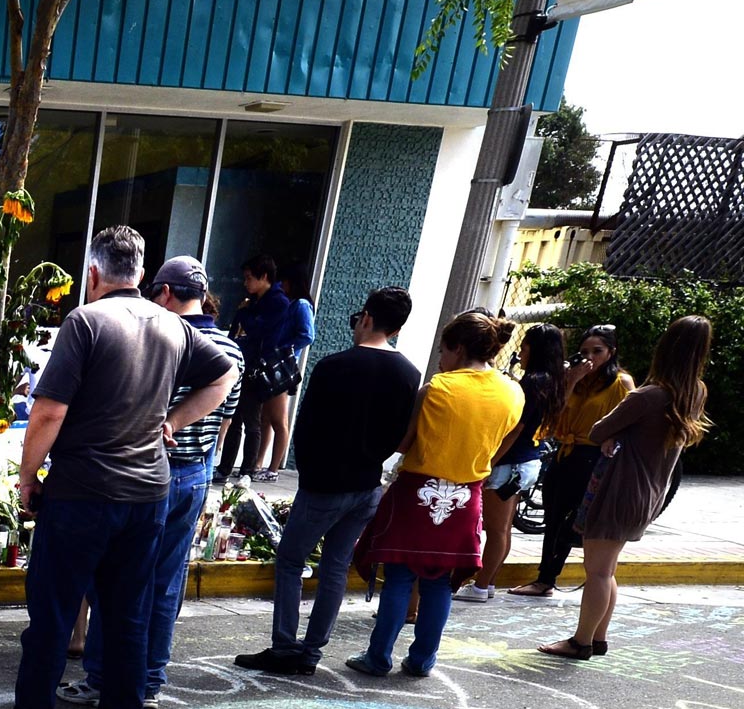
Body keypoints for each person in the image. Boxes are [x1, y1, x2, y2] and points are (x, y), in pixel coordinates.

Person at [0, 226, 235, 709]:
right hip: (147, 491)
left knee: (55, 609)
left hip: (83, 490)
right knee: (128, 609)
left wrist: (27, 477)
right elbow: (225, 375)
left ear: (94, 273)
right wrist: (174, 420)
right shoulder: (174, 327)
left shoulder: (85, 322)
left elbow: (49, 412)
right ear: (143, 275)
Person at [64, 256, 243, 703]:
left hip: (149, 470)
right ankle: (149, 682)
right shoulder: (232, 346)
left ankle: (103, 677)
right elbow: (226, 414)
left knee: (118, 578)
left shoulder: (164, 335)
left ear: (163, 293)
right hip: (198, 468)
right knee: (166, 581)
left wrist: (171, 423)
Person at [235, 286, 419, 674]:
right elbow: (399, 433)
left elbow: (309, 427)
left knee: (290, 559)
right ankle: (312, 651)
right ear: (398, 327)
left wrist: (311, 474)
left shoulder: (334, 365)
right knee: (335, 566)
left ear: (366, 317)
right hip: (367, 482)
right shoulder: (408, 373)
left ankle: (285, 646)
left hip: (325, 483)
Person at [345, 312, 522, 679]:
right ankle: (423, 660)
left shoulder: (438, 388)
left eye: (443, 351)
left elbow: (403, 442)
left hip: (417, 493)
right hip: (465, 496)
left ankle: (378, 657)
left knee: (399, 577)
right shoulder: (511, 391)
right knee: (439, 582)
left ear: (457, 348)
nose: (440, 359)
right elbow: (508, 439)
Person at [539, 315, 712, 661]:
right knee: (608, 568)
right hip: (648, 492)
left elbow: (600, 429)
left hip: (617, 488)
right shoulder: (695, 391)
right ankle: (598, 637)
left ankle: (581, 641)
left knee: (598, 571)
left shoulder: (649, 394)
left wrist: (616, 433)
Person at [511, 324, 635, 598]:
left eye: (598, 351)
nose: (591, 357)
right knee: (553, 516)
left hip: (593, 456)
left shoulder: (620, 383)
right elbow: (554, 416)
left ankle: (556, 576)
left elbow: (630, 420)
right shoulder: (574, 380)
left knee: (571, 520)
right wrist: (573, 380)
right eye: (585, 352)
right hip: (566, 451)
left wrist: (612, 437)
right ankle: (545, 579)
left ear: (611, 353)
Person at [456, 323, 565, 603]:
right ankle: (487, 582)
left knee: (495, 529)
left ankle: (481, 586)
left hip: (511, 462)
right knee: (502, 528)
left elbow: (516, 428)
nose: (521, 353)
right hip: (527, 460)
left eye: (525, 348)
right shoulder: (554, 381)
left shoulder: (533, 382)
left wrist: (491, 461)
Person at [224, 253, 297, 482]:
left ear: (263, 276)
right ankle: (226, 467)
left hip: (261, 367)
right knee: (234, 417)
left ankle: (249, 468)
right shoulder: (255, 301)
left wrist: (245, 314)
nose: (246, 283)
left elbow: (260, 331)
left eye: (249, 278)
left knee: (254, 421)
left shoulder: (278, 302)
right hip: (245, 363)